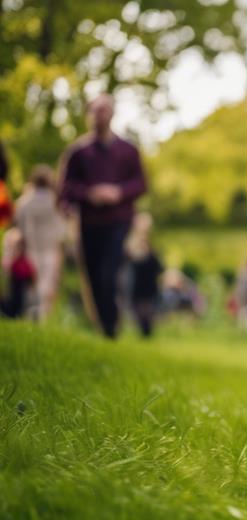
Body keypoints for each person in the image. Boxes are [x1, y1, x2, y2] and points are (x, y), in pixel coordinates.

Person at [59, 94, 147, 338]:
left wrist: (118, 192)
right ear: (89, 114)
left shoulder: (128, 151)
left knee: (109, 273)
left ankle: (111, 327)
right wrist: (89, 194)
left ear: (113, 113)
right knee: (94, 277)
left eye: (105, 109)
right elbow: (65, 188)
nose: (101, 114)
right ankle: (103, 326)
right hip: (88, 223)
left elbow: (140, 184)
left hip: (118, 222)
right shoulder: (77, 152)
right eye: (96, 110)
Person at [14, 165, 66, 320]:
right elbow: (62, 226)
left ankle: (31, 311)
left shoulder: (25, 202)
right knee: (46, 282)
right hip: (50, 247)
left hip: (31, 247)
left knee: (32, 283)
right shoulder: (56, 202)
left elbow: (20, 223)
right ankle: (40, 314)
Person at [125, 213, 163, 338]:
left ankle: (146, 332)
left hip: (149, 281)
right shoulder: (130, 240)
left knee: (147, 307)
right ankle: (143, 331)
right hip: (137, 280)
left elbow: (157, 264)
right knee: (139, 307)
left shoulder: (151, 242)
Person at [1, 228, 34, 318]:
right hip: (8, 301)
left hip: (17, 303)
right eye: (7, 247)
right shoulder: (8, 263)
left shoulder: (22, 264)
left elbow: (31, 280)